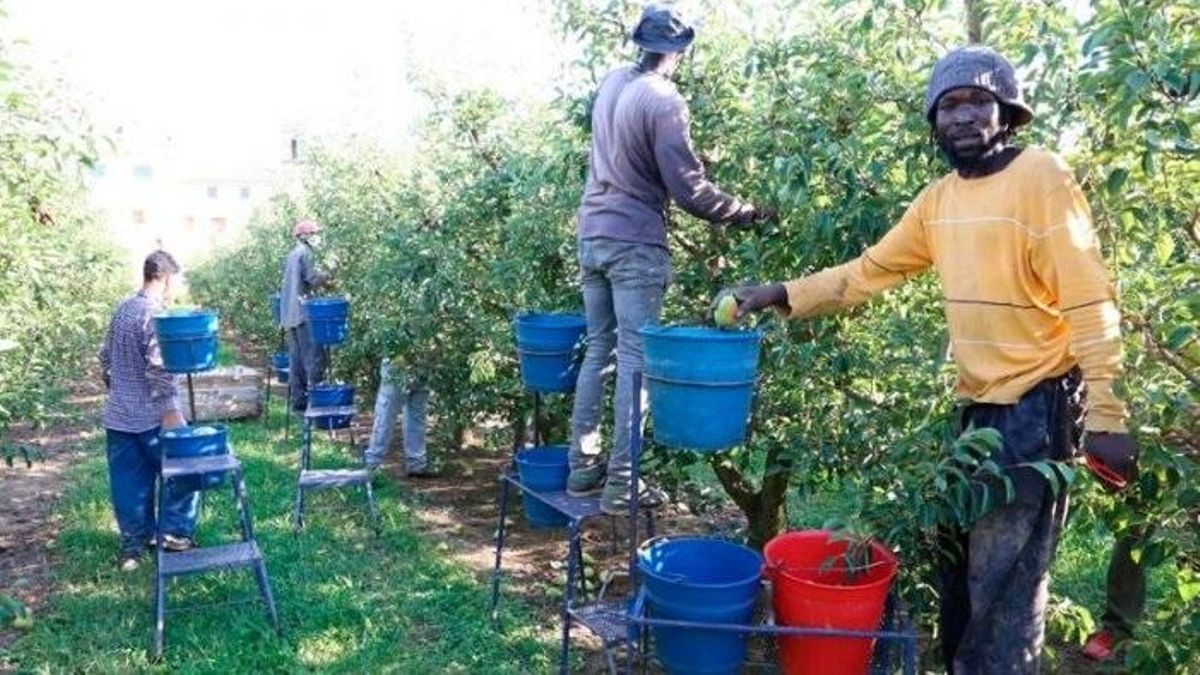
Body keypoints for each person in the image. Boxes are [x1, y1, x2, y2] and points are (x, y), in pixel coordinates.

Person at [727, 46, 1139, 673]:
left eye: (978, 101)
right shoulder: (938, 200)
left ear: (1007, 113)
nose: (963, 116)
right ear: (934, 121)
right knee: (961, 579)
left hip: (1038, 407)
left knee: (1005, 589)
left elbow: (1088, 296)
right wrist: (781, 292)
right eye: (949, 105)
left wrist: (1107, 414)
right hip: (975, 414)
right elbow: (867, 272)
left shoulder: (1042, 178)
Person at [567, 3, 773, 515]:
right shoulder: (664, 100)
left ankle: (581, 469)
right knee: (636, 358)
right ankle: (622, 485)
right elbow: (688, 190)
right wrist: (745, 212)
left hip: (593, 232)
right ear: (680, 52)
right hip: (634, 241)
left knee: (600, 349)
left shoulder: (613, 83)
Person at [98, 250, 200, 572]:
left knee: (129, 483)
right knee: (185, 469)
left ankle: (133, 546)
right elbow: (158, 367)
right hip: (153, 416)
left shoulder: (123, 308)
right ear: (166, 278)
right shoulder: (155, 314)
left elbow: (104, 358)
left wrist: (119, 390)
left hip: (118, 416)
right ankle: (174, 535)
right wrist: (170, 410)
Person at [280, 219, 331, 411]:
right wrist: (329, 276)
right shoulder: (306, 253)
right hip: (303, 313)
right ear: (305, 236)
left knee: (296, 360)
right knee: (314, 357)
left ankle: (298, 401)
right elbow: (312, 278)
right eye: (315, 234)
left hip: (290, 314)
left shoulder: (293, 253)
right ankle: (318, 401)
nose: (317, 237)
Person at [365, 358, 436, 478]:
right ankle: (417, 465)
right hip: (423, 363)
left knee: (386, 415)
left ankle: (372, 464)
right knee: (415, 417)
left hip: (399, 365)